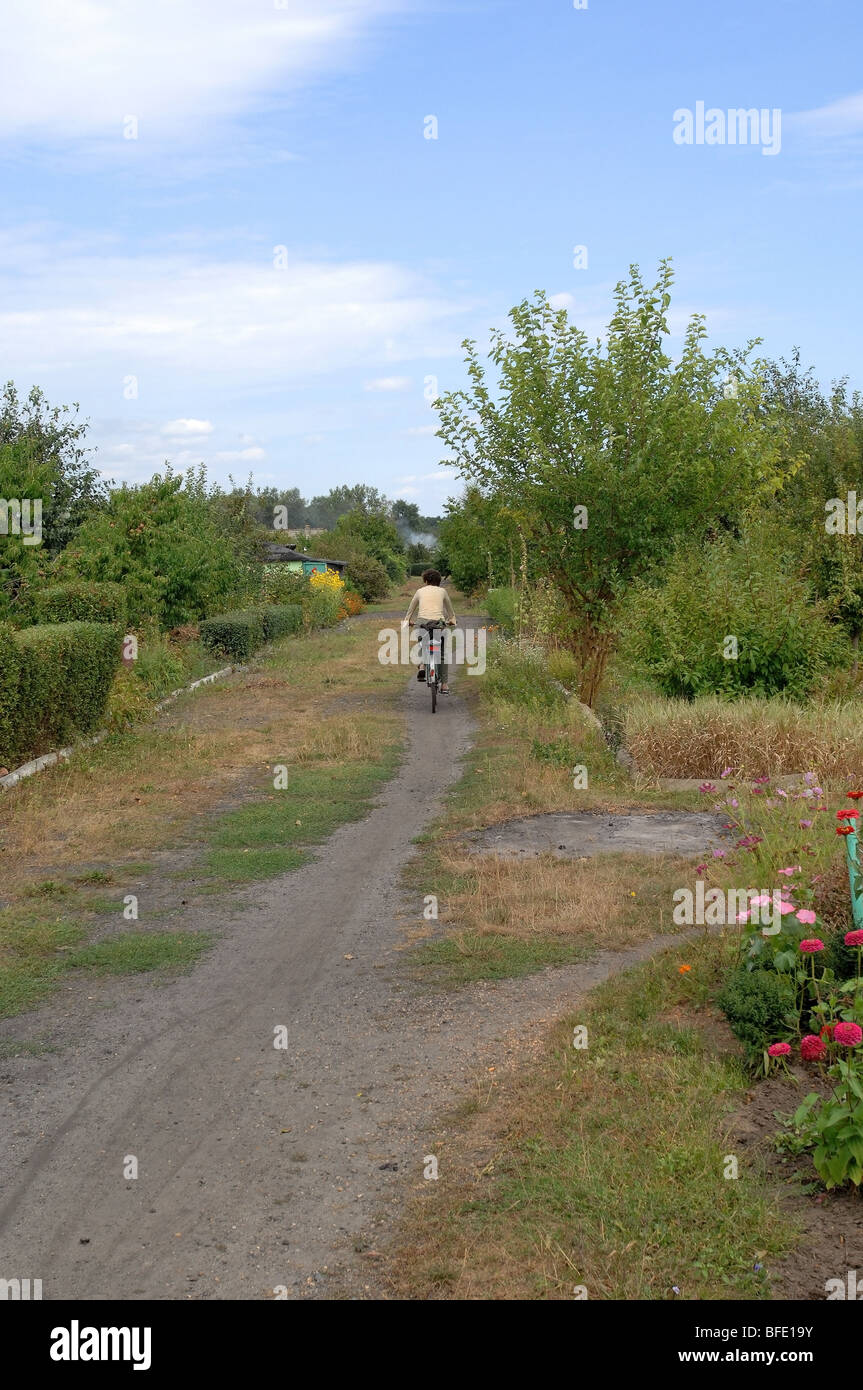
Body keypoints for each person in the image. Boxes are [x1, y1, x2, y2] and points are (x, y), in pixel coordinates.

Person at [403, 568, 457, 693]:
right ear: (438, 581)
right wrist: (452, 620)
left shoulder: (420, 591)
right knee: (442, 654)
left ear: (425, 580)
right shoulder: (442, 591)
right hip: (438, 623)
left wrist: (407, 621)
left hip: (422, 623)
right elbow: (450, 610)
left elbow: (410, 609)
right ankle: (444, 685)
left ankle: (422, 665)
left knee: (422, 643)